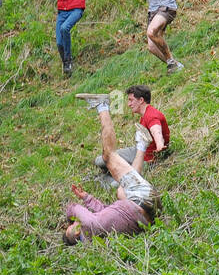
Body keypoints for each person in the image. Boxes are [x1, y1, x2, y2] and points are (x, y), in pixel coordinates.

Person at [64, 93, 162, 243]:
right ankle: (102, 105)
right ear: (77, 232)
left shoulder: (99, 232)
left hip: (149, 210)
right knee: (108, 155)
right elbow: (73, 207)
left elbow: (103, 210)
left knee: (121, 191)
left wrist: (86, 198)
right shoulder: (91, 226)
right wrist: (70, 219)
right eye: (73, 227)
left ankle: (141, 143)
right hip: (142, 199)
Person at [94, 85, 170, 172]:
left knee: (116, 183)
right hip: (139, 151)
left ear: (141, 100)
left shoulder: (151, 116)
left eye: (131, 100)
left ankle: (106, 178)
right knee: (101, 160)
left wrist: (160, 145)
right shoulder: (146, 113)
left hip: (148, 160)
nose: (129, 104)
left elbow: (156, 131)